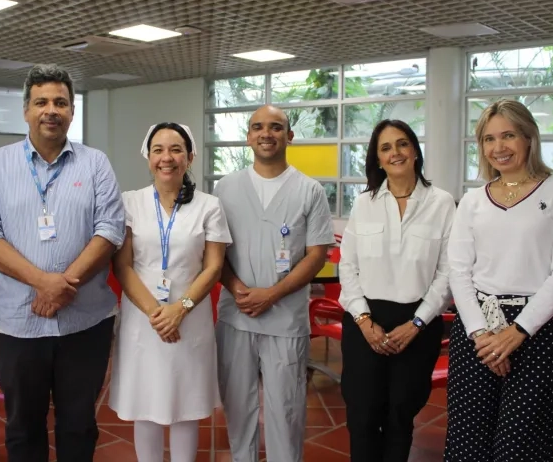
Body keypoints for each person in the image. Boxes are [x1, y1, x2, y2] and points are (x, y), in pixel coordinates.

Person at [0, 64, 125, 462]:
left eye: (60, 102)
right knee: (23, 425)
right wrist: (42, 282)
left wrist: (62, 285)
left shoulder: (95, 164)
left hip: (85, 321)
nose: (50, 110)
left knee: (79, 423)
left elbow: (110, 229)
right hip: (19, 324)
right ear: (26, 110)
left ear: (72, 111)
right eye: (41, 102)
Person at [444, 99, 553, 461]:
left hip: (537, 333)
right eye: (489, 139)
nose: (499, 147)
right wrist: (482, 335)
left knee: (520, 446)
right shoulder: (473, 200)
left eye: (508, 135)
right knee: (467, 442)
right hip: (477, 332)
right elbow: (458, 270)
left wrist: (518, 331)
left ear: (528, 138)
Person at [213, 104, 335, 461]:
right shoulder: (226, 188)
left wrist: (272, 294)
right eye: (258, 127)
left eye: (276, 127)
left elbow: (316, 256)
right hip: (236, 316)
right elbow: (215, 250)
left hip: (285, 319)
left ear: (289, 136)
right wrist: (237, 289)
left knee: (286, 409)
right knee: (237, 405)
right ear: (248, 136)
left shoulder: (309, 190)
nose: (267, 134)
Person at [108, 122, 232, 461]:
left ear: (189, 157)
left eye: (176, 150)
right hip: (143, 319)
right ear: (148, 157)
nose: (167, 157)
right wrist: (156, 313)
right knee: (145, 405)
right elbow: (123, 266)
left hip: (190, 320)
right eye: (159, 150)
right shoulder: (129, 202)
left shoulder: (209, 205)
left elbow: (214, 267)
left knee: (186, 406)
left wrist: (181, 308)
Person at [337, 120, 455, 462]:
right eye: (386, 148)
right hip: (365, 323)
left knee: (400, 417)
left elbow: (447, 272)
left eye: (402, 144)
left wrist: (416, 324)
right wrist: (363, 320)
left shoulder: (442, 203)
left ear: (415, 151)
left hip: (417, 324)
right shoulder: (365, 203)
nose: (395, 153)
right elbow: (348, 266)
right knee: (361, 416)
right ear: (377, 158)